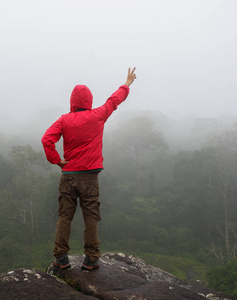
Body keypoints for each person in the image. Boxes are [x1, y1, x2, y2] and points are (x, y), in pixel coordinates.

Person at [41, 68, 137, 270]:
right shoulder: (98, 115)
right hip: (90, 178)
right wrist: (127, 84)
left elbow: (46, 139)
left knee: (65, 217)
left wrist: (57, 161)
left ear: (72, 102)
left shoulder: (64, 120)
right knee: (91, 218)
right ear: (89, 101)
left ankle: (61, 259)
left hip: (68, 177)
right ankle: (91, 259)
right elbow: (113, 101)